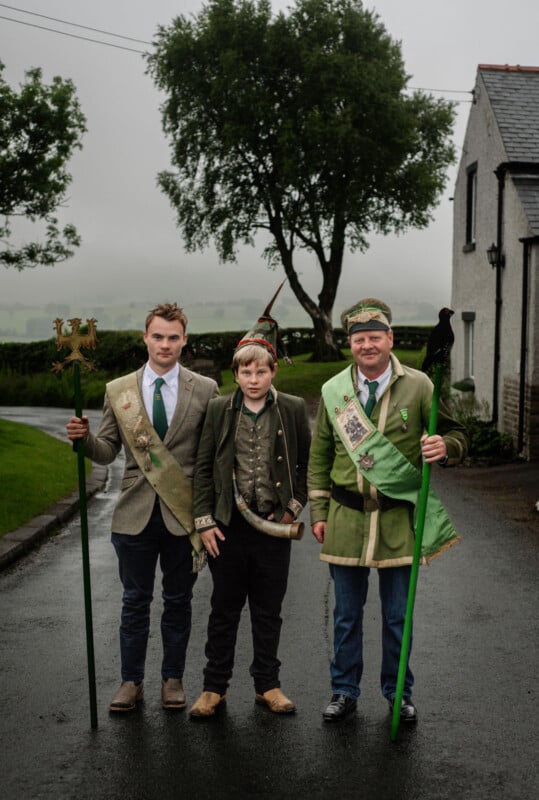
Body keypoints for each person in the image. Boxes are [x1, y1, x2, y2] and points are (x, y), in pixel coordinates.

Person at [307, 297, 468, 723]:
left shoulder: (420, 386)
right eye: (359, 339)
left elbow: (454, 433)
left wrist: (444, 447)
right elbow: (320, 454)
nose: (367, 345)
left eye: (375, 337)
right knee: (345, 617)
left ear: (390, 338)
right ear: (350, 344)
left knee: (398, 617)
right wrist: (318, 511)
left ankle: (399, 692)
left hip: (399, 518)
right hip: (346, 518)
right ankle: (343, 690)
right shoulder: (333, 392)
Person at [66, 302, 219, 713]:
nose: (165, 344)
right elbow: (107, 451)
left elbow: (212, 459)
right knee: (135, 602)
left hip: (181, 516)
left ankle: (173, 679)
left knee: (178, 601)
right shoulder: (119, 390)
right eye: (158, 336)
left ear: (184, 340)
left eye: (173, 337)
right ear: (145, 337)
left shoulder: (204, 389)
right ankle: (130, 681)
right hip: (133, 516)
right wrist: (82, 441)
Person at [188, 307, 311, 718]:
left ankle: (268, 685)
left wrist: (293, 508)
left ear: (273, 371)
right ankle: (213, 687)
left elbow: (307, 466)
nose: (253, 381)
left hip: (274, 527)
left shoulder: (292, 409)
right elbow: (204, 468)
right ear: (236, 374)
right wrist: (204, 521)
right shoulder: (220, 409)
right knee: (223, 609)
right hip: (228, 527)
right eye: (246, 374)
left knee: (268, 611)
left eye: (261, 373)